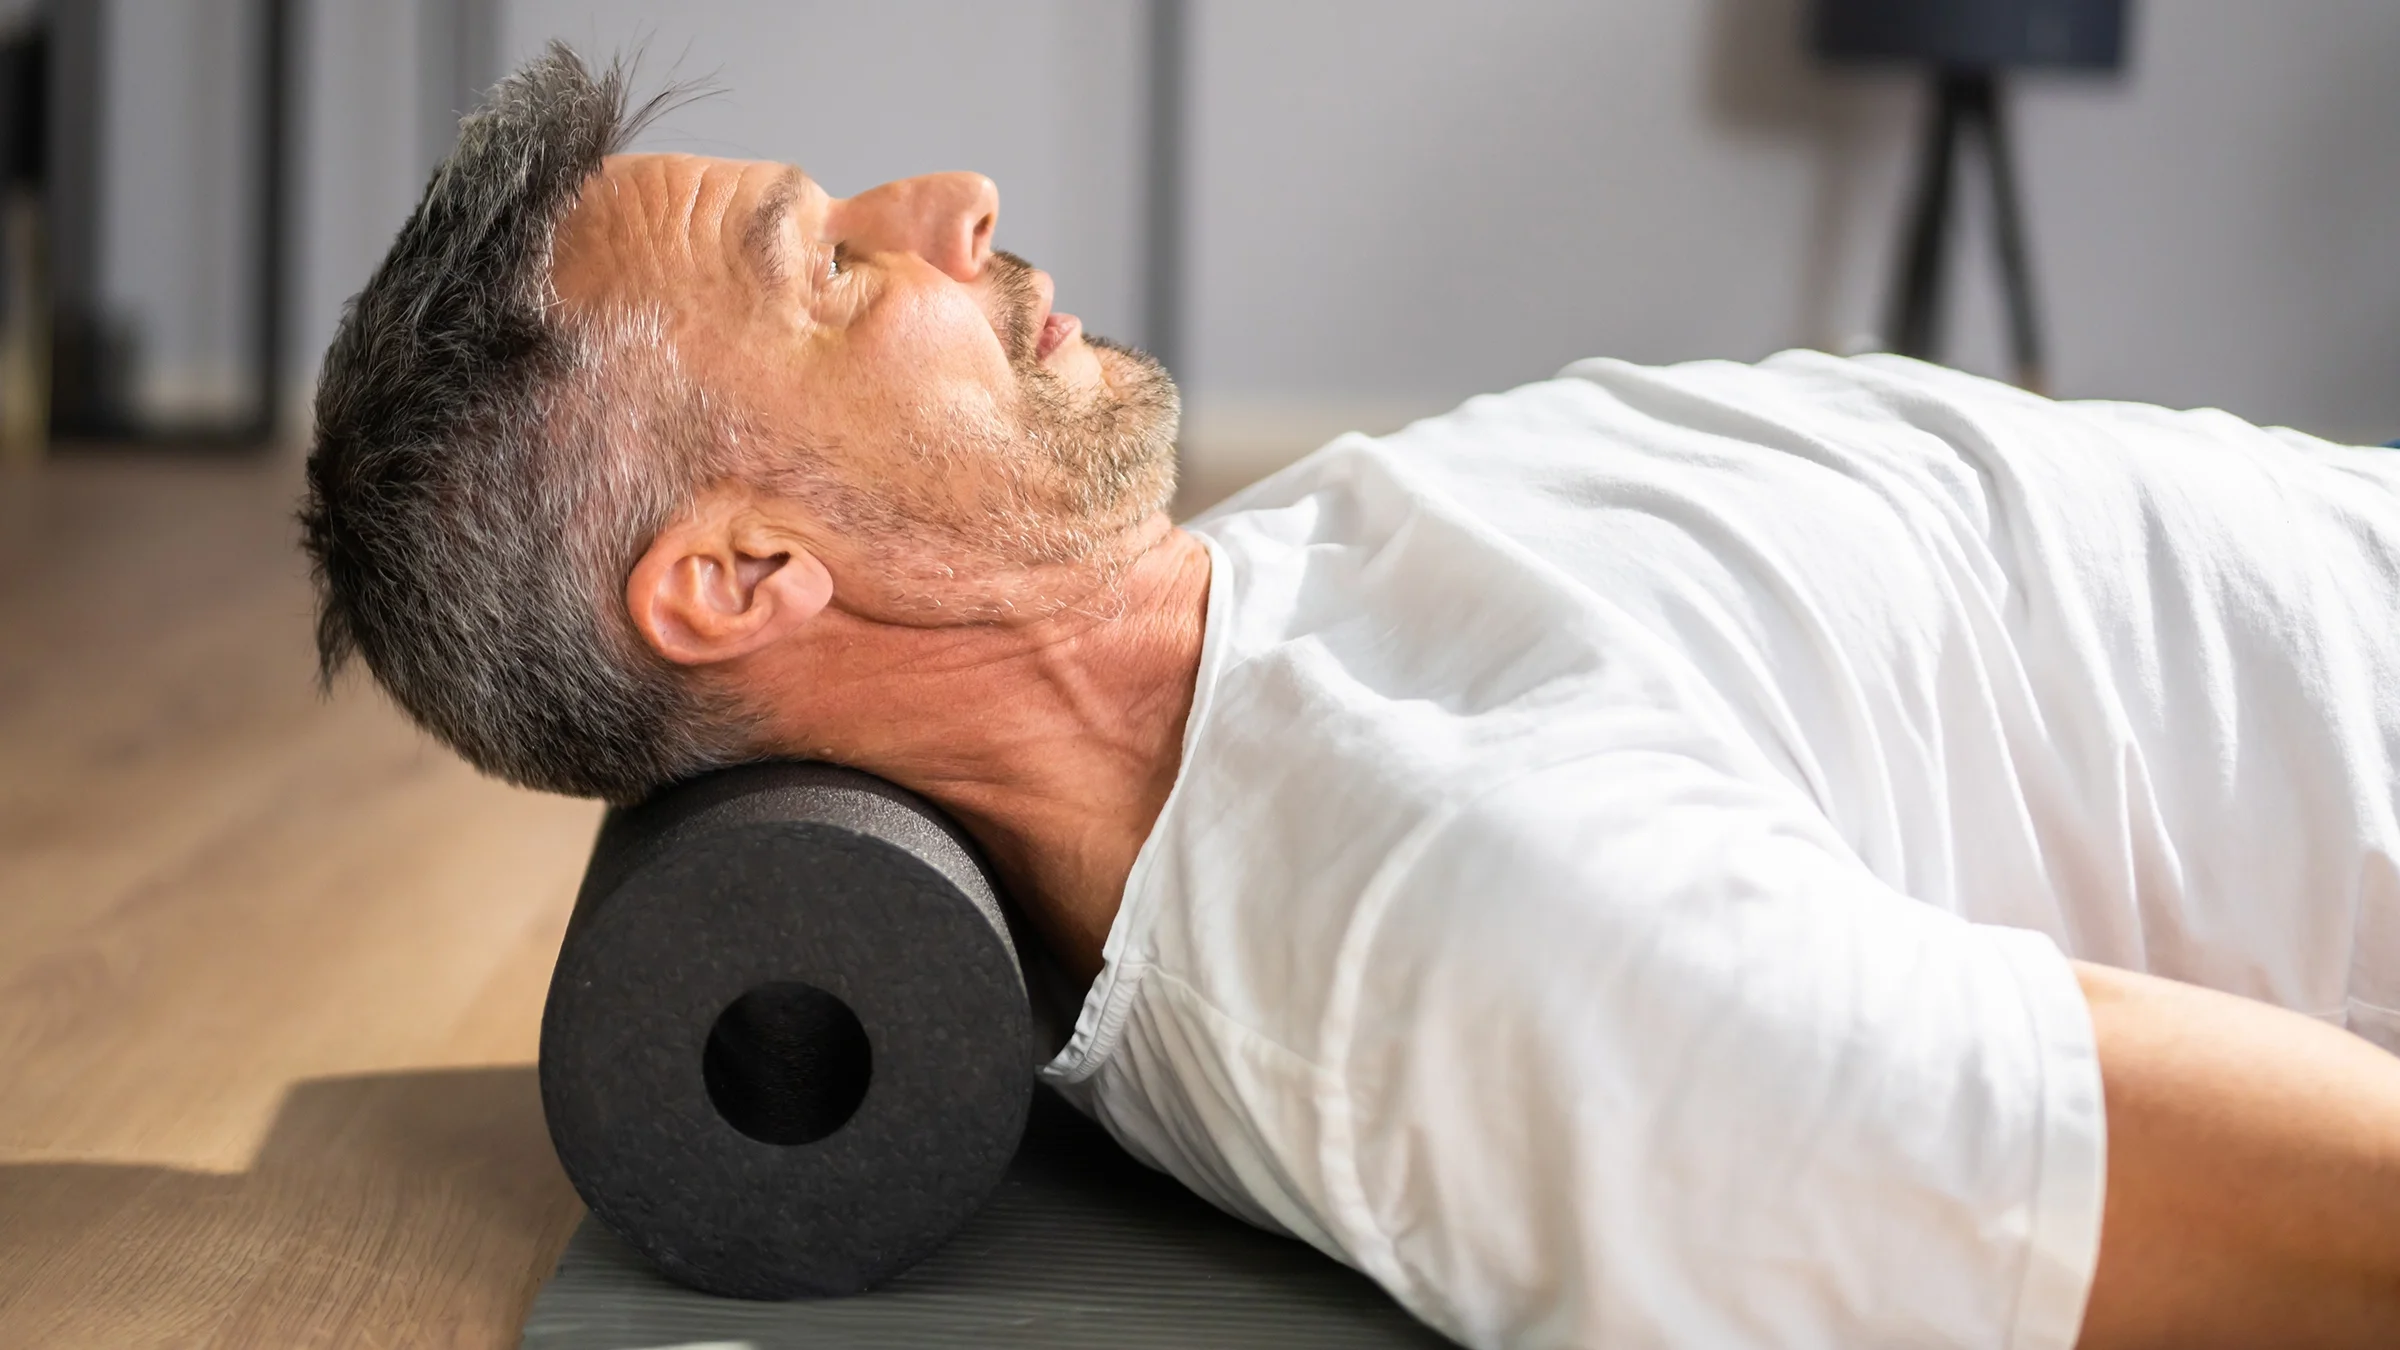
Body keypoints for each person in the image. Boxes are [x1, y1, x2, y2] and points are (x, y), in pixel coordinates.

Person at [300, 46, 2400, 1350]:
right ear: (746, 576)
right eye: (836, 272)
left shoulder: (1278, 587)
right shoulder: (1493, 944)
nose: (952, 210)